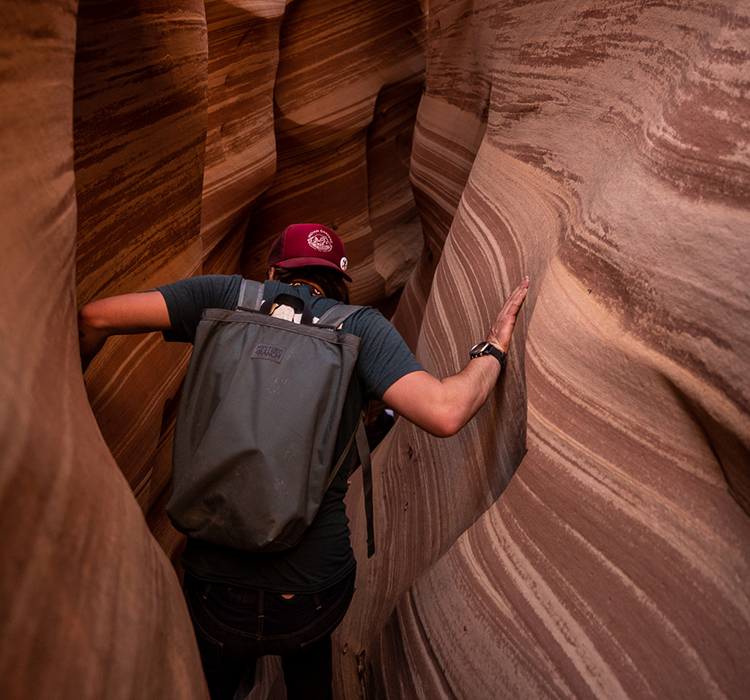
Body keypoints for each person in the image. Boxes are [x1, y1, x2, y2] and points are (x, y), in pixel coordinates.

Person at [78, 223, 528, 700]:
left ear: (273, 271)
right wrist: (493, 348)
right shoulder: (360, 327)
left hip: (215, 590)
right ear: (338, 281)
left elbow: (93, 318)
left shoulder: (224, 295)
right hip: (311, 592)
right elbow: (446, 410)